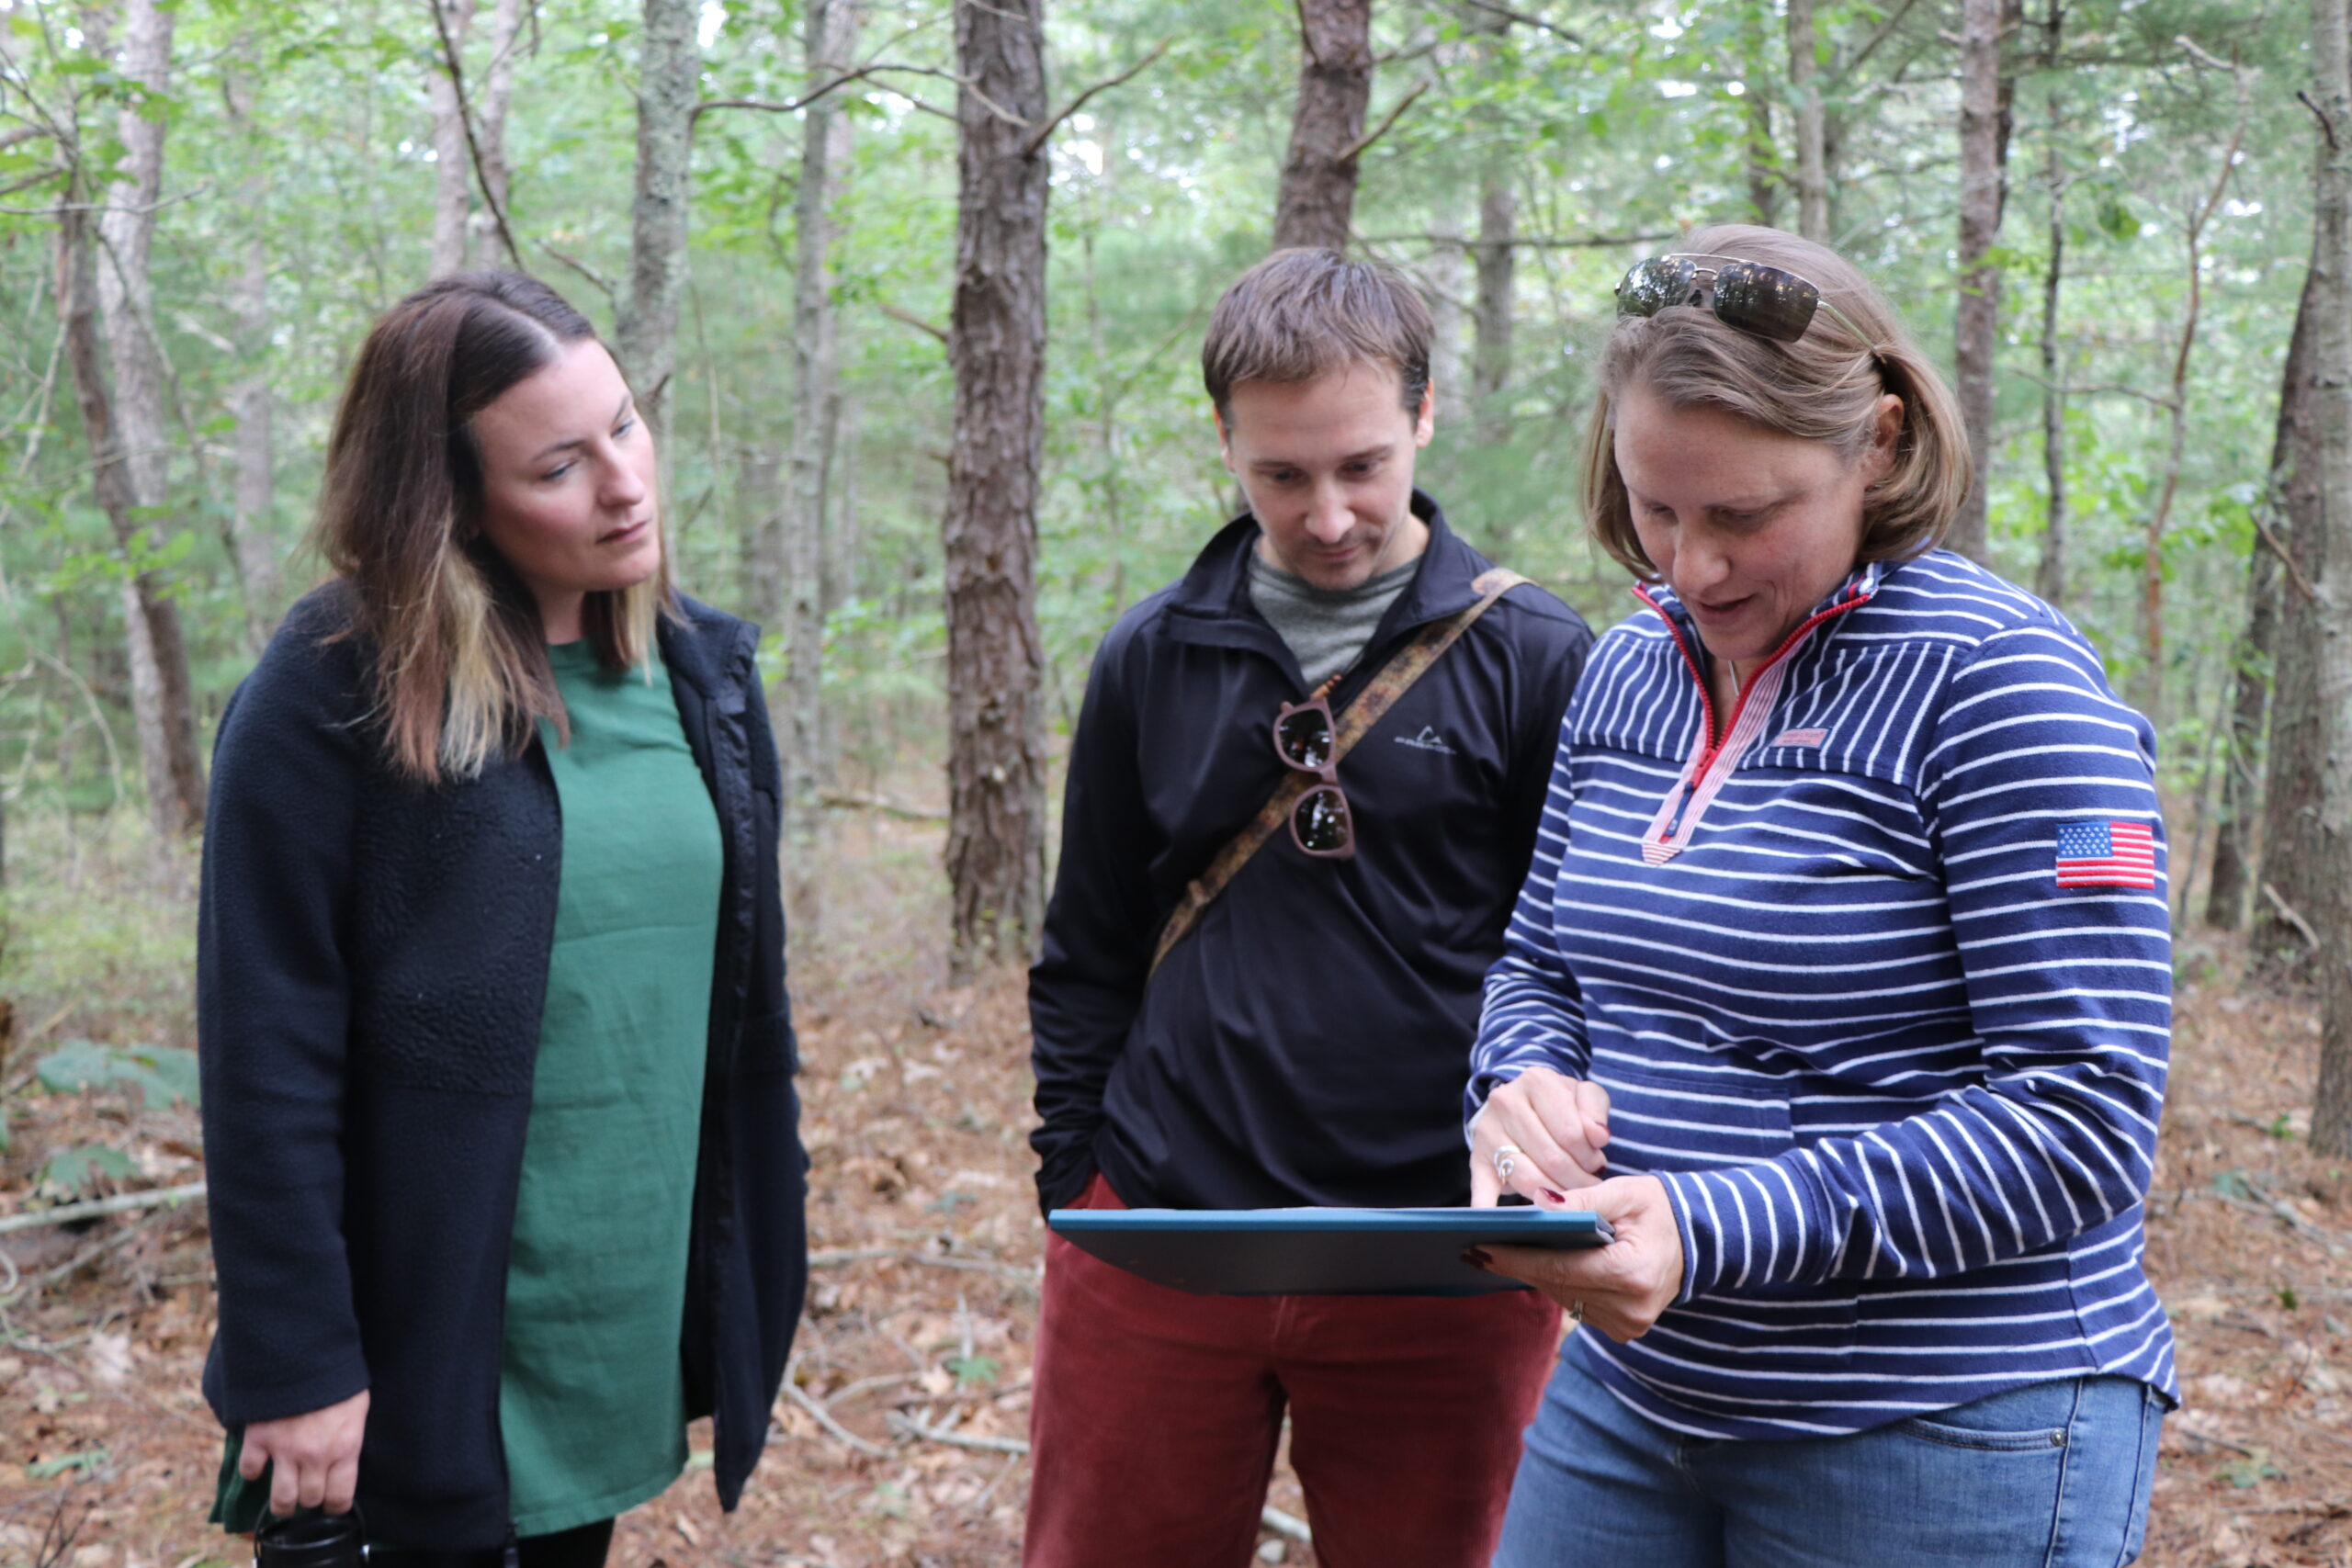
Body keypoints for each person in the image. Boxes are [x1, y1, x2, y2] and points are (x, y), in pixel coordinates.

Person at [1463, 223, 2172, 1566]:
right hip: (1634, 1402)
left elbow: (2084, 1118)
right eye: (1655, 507)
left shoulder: (2004, 688)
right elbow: (1541, 965)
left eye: (1745, 513)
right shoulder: (1626, 671)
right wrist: (1520, 1097)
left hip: (1946, 1427)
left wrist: (1712, 1225)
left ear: (1883, 444)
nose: (1693, 567)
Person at [198, 271, 807, 1566]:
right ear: (453, 503)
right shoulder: (332, 697)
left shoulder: (702, 679)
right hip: (425, 1336)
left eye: (627, 428)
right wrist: (295, 1354)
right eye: (560, 467)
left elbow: (739, 1018)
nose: (626, 484)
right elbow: (266, 1054)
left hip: (609, 1326)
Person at [1024, 248, 1594, 1568]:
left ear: (1425, 417)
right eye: (1280, 474)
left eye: (1362, 466)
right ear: (1224, 440)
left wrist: (1531, 1200)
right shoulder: (1154, 656)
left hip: (1444, 1253)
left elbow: (1579, 960)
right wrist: (1081, 1183)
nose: (1328, 514)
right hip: (1160, 1233)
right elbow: (1088, 949)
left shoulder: (1535, 657)